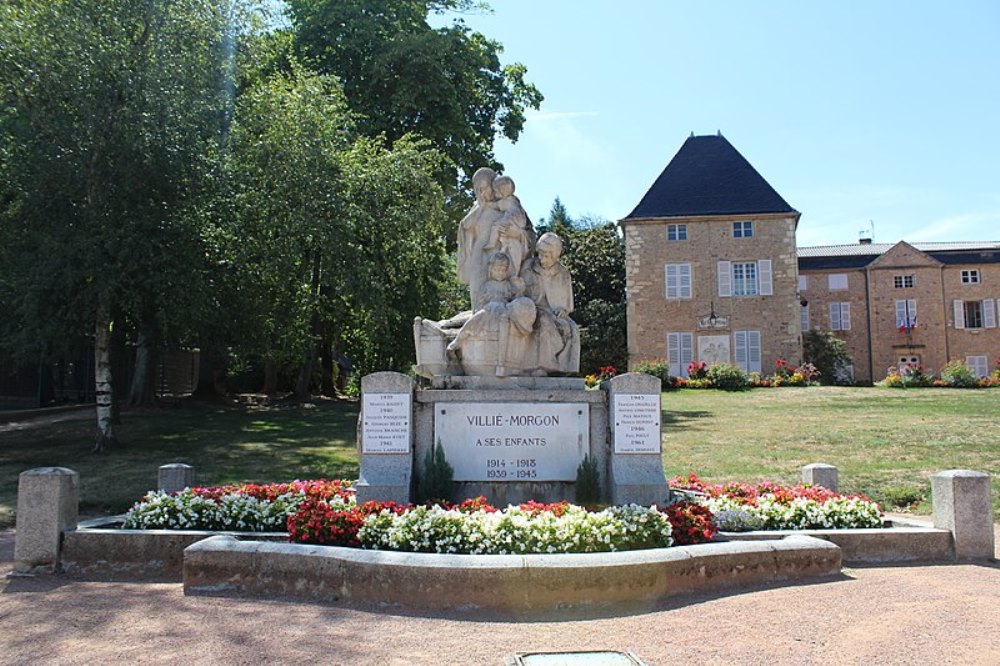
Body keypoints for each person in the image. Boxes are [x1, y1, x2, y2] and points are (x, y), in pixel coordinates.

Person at [519, 232, 580, 374]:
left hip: (554, 312)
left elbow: (567, 304)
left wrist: (563, 310)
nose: (542, 259)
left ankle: (565, 369)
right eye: (540, 254)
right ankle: (542, 367)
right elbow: (518, 291)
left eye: (547, 256)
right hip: (532, 308)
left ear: (555, 255)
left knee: (572, 329)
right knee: (544, 323)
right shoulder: (528, 267)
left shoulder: (563, 273)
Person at [456, 167, 502, 309]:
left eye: (485, 188)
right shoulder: (477, 208)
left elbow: (523, 227)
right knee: (478, 291)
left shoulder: (506, 203)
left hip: (500, 252)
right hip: (479, 253)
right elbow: (465, 226)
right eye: (479, 190)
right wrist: (481, 208)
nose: (482, 193)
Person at [483, 175, 532, 279]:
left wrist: (486, 204)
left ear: (501, 191)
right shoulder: (515, 201)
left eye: (495, 191)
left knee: (496, 226)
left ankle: (492, 243)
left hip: (510, 225)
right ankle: (503, 248)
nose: (494, 194)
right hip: (514, 227)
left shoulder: (506, 202)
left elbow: (495, 206)